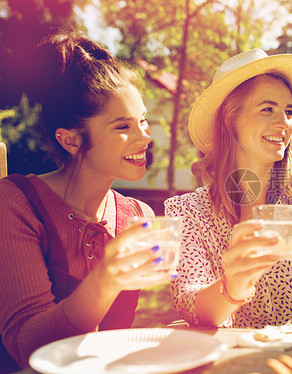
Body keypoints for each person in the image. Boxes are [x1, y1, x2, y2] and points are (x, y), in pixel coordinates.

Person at [0, 30, 172, 370]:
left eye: (143, 121)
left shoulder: (138, 214)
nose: (144, 137)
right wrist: (106, 278)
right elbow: (27, 349)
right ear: (71, 140)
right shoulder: (15, 203)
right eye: (123, 126)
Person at [165, 49, 292, 328]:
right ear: (229, 121)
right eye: (267, 109)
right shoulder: (187, 212)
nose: (285, 123)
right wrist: (232, 286)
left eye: (288, 112)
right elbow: (191, 303)